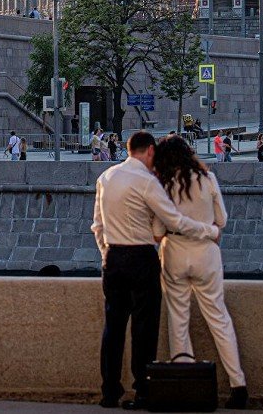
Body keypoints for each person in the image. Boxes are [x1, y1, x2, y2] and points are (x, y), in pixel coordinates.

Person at [91, 131, 220, 410]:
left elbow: (97, 226)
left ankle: (109, 392)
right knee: (144, 327)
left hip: (113, 258)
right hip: (140, 257)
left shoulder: (106, 178)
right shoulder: (147, 182)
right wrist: (208, 231)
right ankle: (142, 391)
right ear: (150, 151)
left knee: (113, 327)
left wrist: (107, 253)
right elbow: (174, 220)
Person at [151, 135, 248, 409]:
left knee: (178, 319)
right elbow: (223, 221)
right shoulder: (208, 179)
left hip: (174, 252)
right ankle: (238, 385)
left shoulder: (163, 185)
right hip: (206, 252)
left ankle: (185, 386)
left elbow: (157, 231)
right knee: (218, 318)